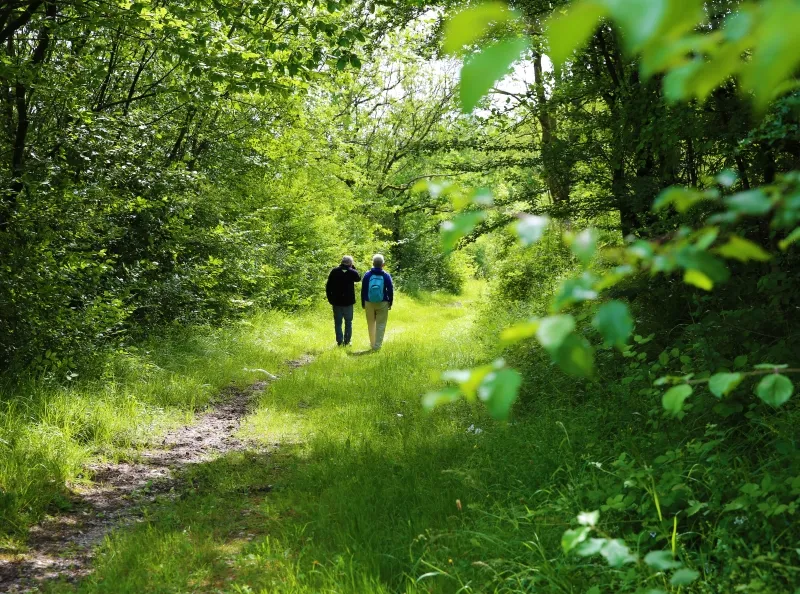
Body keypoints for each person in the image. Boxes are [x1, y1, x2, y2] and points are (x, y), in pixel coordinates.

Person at [326, 255, 361, 346]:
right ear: (350, 263)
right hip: (348, 302)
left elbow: (328, 286)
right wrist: (352, 267)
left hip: (336, 302)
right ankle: (347, 341)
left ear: (342, 262)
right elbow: (358, 278)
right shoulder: (352, 272)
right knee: (348, 322)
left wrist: (330, 299)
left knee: (338, 322)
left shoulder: (334, 271)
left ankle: (339, 341)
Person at [361, 253, 394, 351]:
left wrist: (363, 302)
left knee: (371, 323)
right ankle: (377, 346)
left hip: (369, 302)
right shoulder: (386, 275)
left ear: (373, 263)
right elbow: (390, 290)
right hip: (382, 302)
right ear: (383, 264)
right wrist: (390, 302)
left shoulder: (367, 275)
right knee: (381, 324)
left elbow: (363, 290)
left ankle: (372, 344)